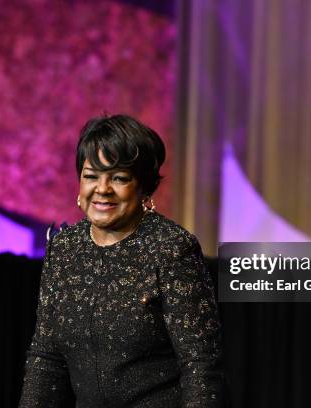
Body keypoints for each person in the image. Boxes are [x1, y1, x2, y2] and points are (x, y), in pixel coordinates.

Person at [18, 114, 224, 408]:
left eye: (118, 178)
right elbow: (46, 357)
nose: (102, 189)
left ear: (145, 189)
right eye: (91, 176)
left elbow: (201, 365)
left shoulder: (172, 249)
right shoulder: (64, 249)